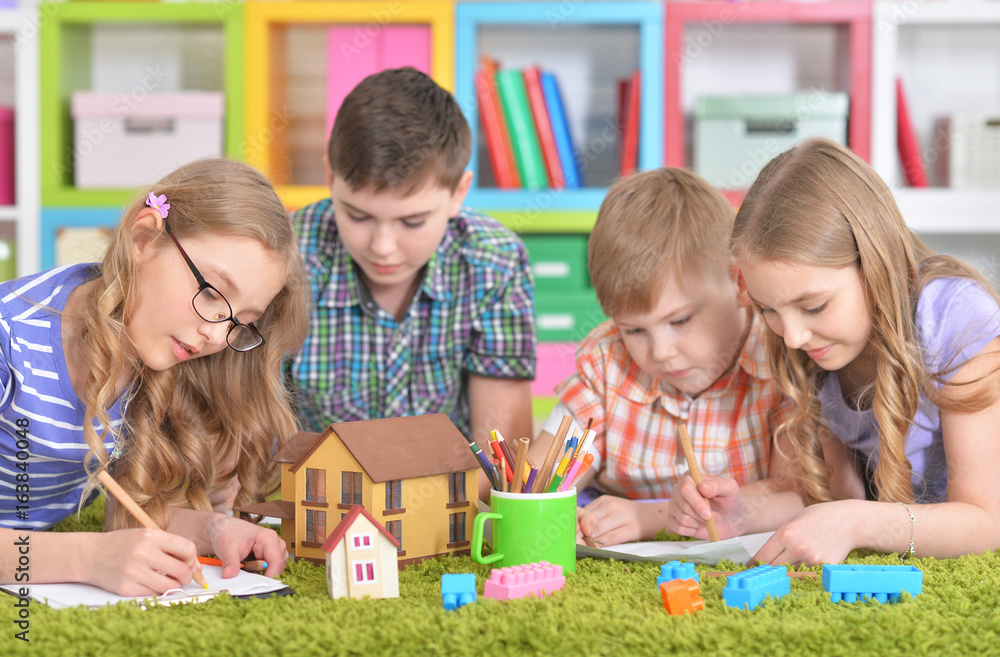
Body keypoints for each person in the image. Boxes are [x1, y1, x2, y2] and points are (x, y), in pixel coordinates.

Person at [672, 137, 1000, 565]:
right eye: (767, 309)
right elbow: (831, 496)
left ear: (874, 265)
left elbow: (986, 521)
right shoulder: (808, 346)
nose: (792, 337)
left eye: (814, 307)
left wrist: (859, 522)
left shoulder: (955, 317)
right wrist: (741, 513)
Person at [0, 158, 310, 596]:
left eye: (242, 321)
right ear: (144, 238)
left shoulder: (158, 352)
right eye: (212, 294)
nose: (216, 335)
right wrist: (87, 557)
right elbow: (98, 549)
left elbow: (130, 516)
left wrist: (212, 529)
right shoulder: (9, 338)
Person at [287, 67, 537, 495]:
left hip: (448, 501)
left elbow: (502, 456)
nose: (383, 247)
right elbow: (247, 432)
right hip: (316, 498)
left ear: (458, 193)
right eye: (358, 215)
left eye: (413, 221)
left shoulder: (494, 262)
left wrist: (415, 509)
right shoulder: (288, 255)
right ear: (330, 178)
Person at [529, 168, 801, 546]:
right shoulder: (606, 361)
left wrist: (650, 518)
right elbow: (538, 481)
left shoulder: (780, 359)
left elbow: (796, 496)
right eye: (634, 330)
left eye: (680, 320)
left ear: (739, 281)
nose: (660, 352)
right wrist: (550, 506)